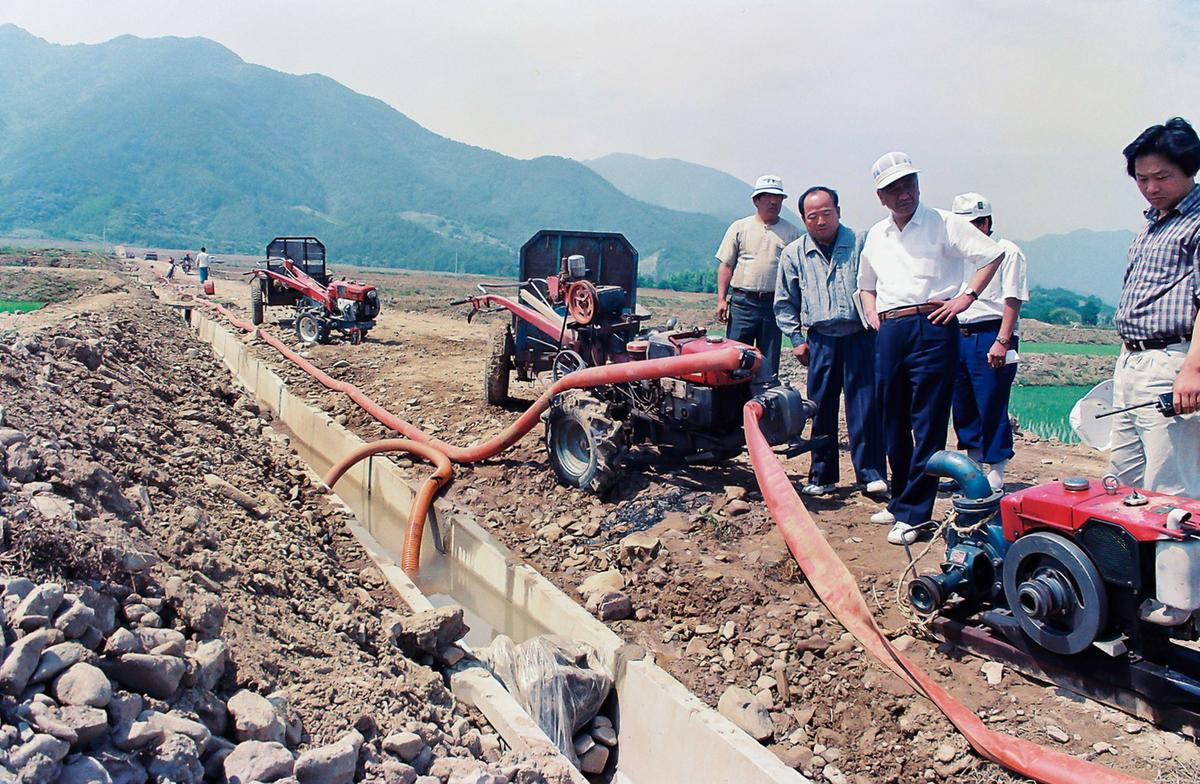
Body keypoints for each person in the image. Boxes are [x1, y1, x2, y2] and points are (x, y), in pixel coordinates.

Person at [857, 152, 1004, 544]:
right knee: (891, 418)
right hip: (890, 329)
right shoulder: (876, 234)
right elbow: (865, 283)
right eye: (893, 188)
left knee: (927, 422)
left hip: (932, 324)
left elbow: (991, 255)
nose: (903, 194)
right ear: (881, 197)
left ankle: (917, 515)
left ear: (918, 185)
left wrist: (966, 298)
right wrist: (871, 312)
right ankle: (900, 501)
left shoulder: (944, 223)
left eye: (908, 184)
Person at [775, 186, 887, 498]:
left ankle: (872, 474)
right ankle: (822, 476)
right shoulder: (794, 253)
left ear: (838, 211)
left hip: (860, 335)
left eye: (827, 213)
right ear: (803, 219)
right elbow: (785, 303)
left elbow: (880, 286)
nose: (821, 221)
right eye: (813, 216)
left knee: (865, 407)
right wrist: (796, 338)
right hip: (820, 340)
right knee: (820, 408)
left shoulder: (861, 244)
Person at [1110, 116, 1200, 496]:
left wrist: (1192, 370)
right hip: (1132, 362)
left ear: (1189, 169)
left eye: (1161, 177)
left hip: (1172, 363)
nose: (1150, 188)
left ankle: (1175, 558)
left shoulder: (1195, 223)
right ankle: (1124, 558)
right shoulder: (1151, 225)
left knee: (1170, 492)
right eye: (1141, 179)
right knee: (1122, 482)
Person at [948, 193, 1029, 492]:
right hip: (960, 332)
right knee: (964, 404)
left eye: (971, 224)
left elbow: (1013, 298)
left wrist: (1003, 341)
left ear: (985, 223)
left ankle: (996, 472)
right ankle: (971, 471)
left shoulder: (1006, 251)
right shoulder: (960, 256)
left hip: (991, 333)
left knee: (992, 403)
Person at [715, 175, 803, 392]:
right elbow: (726, 266)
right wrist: (721, 300)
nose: (773, 203)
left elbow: (797, 275)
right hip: (742, 303)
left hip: (774, 306)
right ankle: (731, 412)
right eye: (768, 198)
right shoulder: (740, 227)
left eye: (778, 198)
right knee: (734, 359)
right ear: (756, 200)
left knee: (768, 364)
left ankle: (764, 411)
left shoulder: (792, 233)